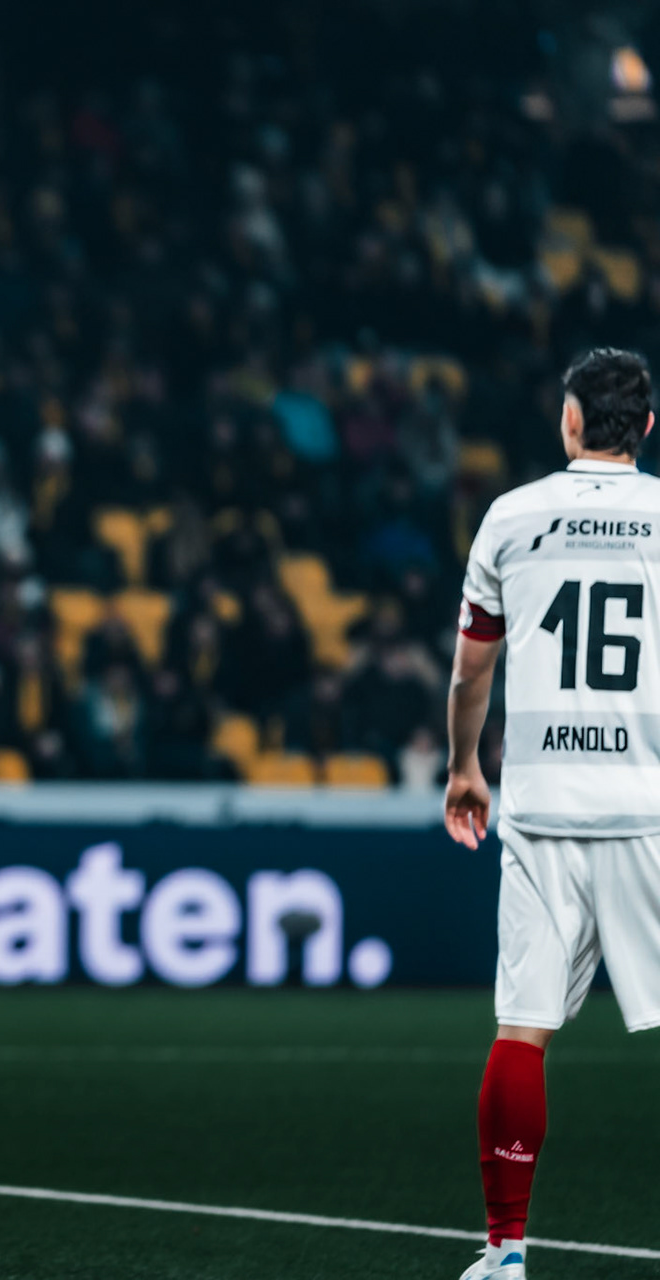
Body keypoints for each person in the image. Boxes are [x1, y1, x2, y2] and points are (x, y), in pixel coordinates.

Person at [444, 347, 660, 1280]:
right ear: (645, 427)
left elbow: (472, 671)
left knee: (522, 1028)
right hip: (649, 806)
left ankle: (505, 1253)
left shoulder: (512, 516)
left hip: (542, 810)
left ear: (570, 421)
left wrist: (464, 768)